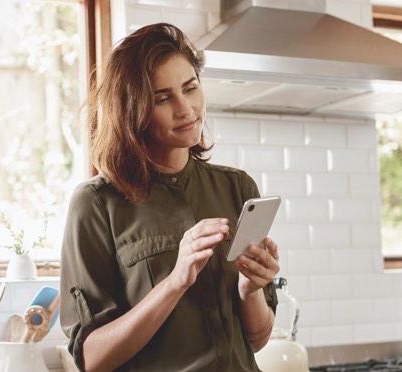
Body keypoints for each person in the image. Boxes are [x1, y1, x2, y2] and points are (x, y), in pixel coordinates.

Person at [60, 23, 280, 372]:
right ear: (132, 110)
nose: (186, 109)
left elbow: (256, 339)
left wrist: (250, 289)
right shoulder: (96, 204)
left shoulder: (237, 187)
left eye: (190, 88)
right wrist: (176, 281)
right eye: (163, 98)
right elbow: (92, 358)